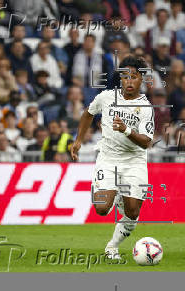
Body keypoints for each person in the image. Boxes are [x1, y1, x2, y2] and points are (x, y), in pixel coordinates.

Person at [70, 56, 155, 260]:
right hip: (108, 160)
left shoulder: (145, 108)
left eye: (134, 77)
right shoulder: (106, 97)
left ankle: (112, 246)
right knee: (101, 209)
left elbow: (146, 142)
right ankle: (114, 194)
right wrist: (78, 140)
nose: (129, 81)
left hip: (134, 161)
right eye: (125, 77)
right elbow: (88, 113)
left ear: (141, 79)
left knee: (133, 212)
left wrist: (126, 130)